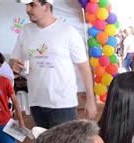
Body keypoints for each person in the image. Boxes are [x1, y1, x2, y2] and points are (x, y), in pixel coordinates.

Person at [10, 0, 97, 129]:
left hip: (63, 104)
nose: (27, 9)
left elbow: (83, 68)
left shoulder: (68, 32)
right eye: (26, 5)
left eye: (32, 5)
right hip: (36, 102)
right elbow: (13, 58)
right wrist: (13, 64)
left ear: (46, 6)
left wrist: (90, 100)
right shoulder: (25, 31)